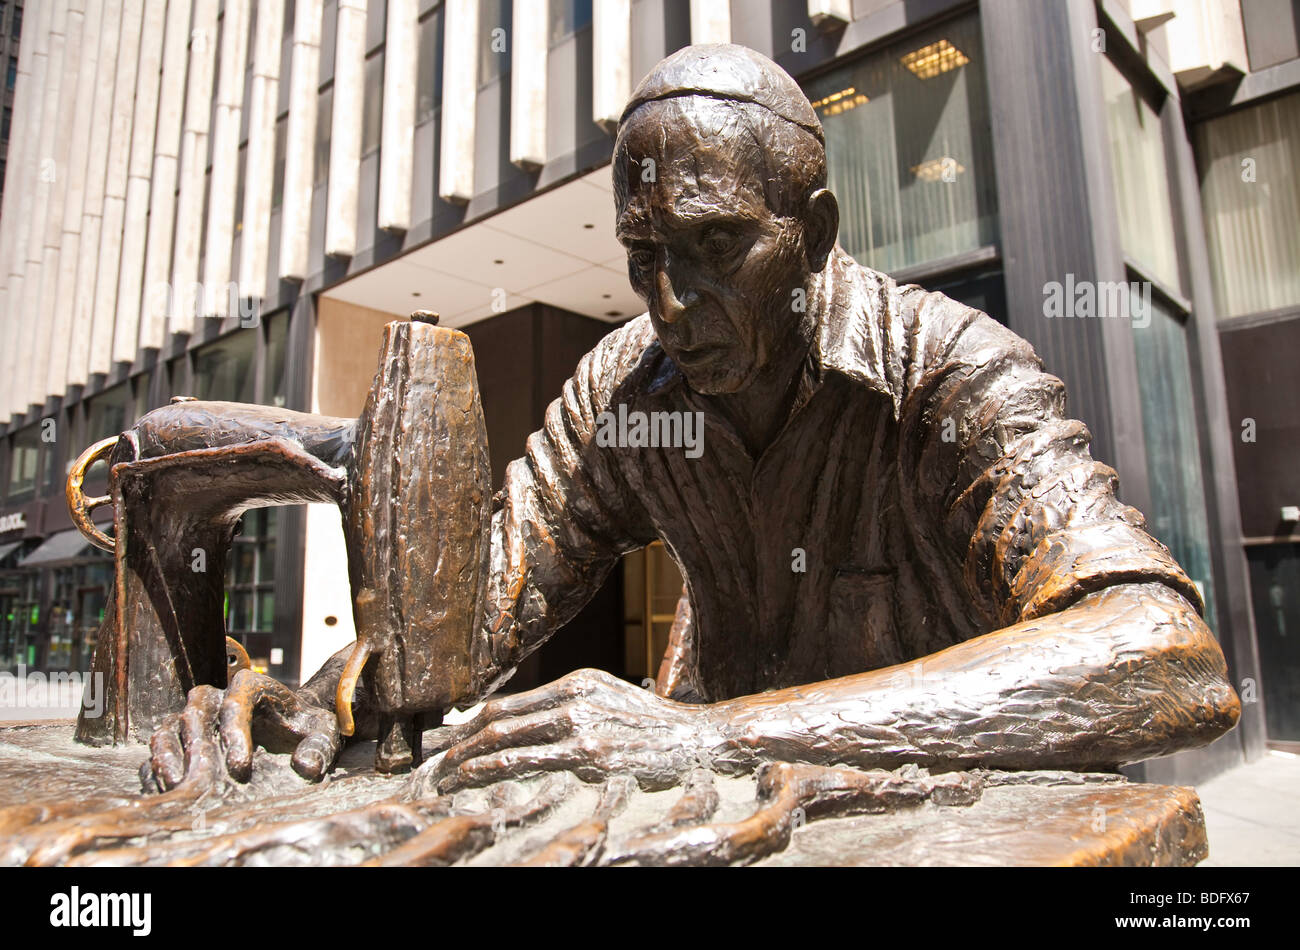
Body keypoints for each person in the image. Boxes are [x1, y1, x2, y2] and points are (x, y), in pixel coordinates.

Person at [145, 45, 1238, 794]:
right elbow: (474, 624)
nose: (671, 305)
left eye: (715, 249)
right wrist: (337, 697)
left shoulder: (945, 376)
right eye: (644, 260)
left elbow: (1167, 655)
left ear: (811, 233)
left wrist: (704, 732)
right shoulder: (629, 396)